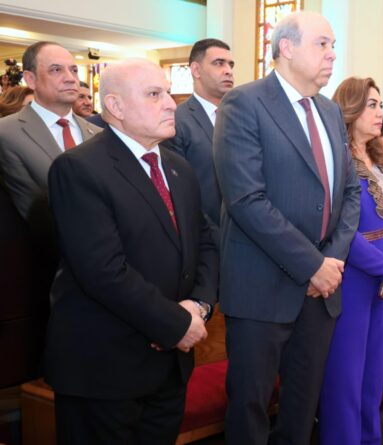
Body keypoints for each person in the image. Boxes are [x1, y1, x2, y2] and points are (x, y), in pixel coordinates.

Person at [45, 58, 218, 445]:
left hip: (169, 365)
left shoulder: (178, 167)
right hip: (106, 368)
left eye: (167, 93)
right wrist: (175, 324)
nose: (171, 103)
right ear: (116, 106)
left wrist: (199, 306)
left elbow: (206, 243)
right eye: (154, 94)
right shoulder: (79, 169)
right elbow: (103, 271)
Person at [213, 12, 361, 444]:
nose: (332, 54)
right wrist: (313, 265)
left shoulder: (329, 110)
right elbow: (246, 199)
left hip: (322, 290)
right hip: (262, 286)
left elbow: (350, 192)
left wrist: (332, 260)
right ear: (287, 48)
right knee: (250, 408)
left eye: (333, 45)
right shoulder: (244, 104)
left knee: (301, 406)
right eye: (322, 44)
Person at [318, 76, 383, 445]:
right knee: (345, 378)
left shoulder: (382, 160)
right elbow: (342, 231)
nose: (379, 113)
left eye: (380, 104)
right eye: (372, 105)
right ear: (350, 109)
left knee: (373, 375)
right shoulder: (336, 160)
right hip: (354, 278)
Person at [0, 41, 101, 221]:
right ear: (31, 79)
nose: (70, 78)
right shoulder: (6, 133)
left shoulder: (99, 134)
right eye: (56, 70)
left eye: (74, 70)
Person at [162, 38, 234, 242]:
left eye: (231, 65)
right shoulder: (177, 121)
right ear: (196, 70)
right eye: (219, 63)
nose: (228, 71)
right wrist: (215, 239)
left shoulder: (242, 115)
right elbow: (180, 193)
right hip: (207, 238)